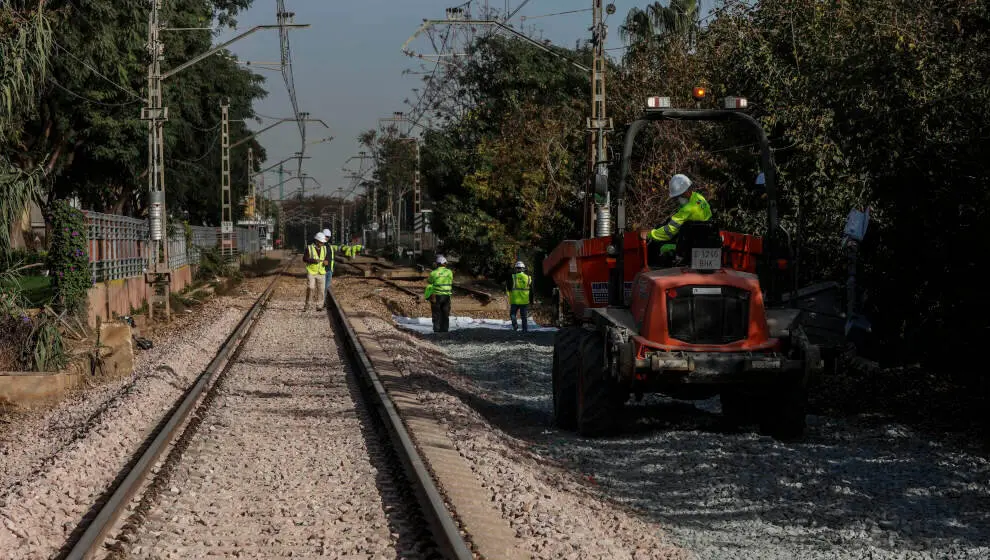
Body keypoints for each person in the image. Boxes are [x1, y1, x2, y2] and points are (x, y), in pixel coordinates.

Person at [649, 173, 713, 255]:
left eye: (679, 196)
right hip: (704, 240)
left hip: (689, 246)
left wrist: (651, 234)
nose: (678, 199)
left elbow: (669, 231)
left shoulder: (687, 210)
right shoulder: (699, 197)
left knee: (662, 247)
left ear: (685, 192)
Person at [423, 254, 453, 333]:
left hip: (436, 296)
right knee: (445, 313)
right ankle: (445, 330)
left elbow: (429, 282)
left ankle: (437, 329)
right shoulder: (450, 272)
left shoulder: (433, 273)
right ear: (445, 263)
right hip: (447, 296)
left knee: (436, 313)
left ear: (437, 264)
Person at [303, 232, 330, 311]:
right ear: (317, 241)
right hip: (311, 271)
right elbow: (304, 258)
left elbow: (327, 259)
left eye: (323, 242)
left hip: (321, 272)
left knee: (321, 289)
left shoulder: (325, 248)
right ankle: (307, 304)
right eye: (321, 242)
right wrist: (314, 260)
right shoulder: (309, 248)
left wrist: (326, 262)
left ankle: (319, 306)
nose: (322, 244)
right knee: (310, 287)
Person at [505, 261, 533, 332]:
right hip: (524, 301)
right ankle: (524, 329)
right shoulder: (528, 278)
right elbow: (531, 290)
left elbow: (508, 288)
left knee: (512, 314)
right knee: (524, 317)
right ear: (523, 269)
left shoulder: (512, 277)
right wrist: (531, 301)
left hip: (514, 300)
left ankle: (515, 326)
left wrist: (508, 295)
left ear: (516, 269)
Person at [321, 229, 336, 294]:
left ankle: (322, 302)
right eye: (325, 236)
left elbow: (331, 258)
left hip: (329, 270)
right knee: (321, 289)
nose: (326, 238)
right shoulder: (319, 245)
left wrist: (332, 269)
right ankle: (320, 303)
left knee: (326, 288)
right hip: (322, 270)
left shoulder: (329, 246)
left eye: (328, 236)